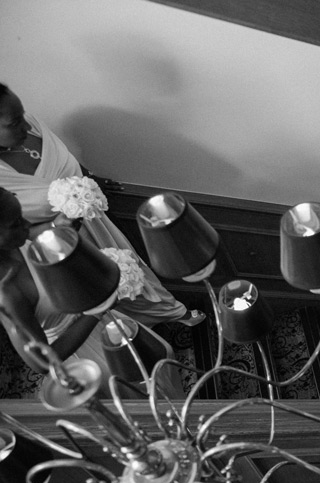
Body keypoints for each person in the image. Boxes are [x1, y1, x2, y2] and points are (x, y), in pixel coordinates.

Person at [0, 83, 204, 328]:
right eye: (13, 123)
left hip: (95, 223)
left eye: (21, 114)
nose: (26, 125)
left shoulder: (32, 126)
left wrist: (89, 180)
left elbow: (66, 160)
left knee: (129, 268)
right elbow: (10, 235)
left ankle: (170, 312)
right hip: (55, 247)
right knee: (94, 293)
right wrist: (59, 226)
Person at [0, 187, 184, 399]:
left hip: (98, 316)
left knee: (162, 354)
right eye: (15, 223)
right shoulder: (7, 293)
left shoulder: (16, 240)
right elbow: (43, 363)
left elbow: (34, 234)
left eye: (21, 216)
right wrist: (97, 311)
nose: (26, 225)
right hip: (75, 343)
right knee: (135, 386)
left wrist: (58, 226)